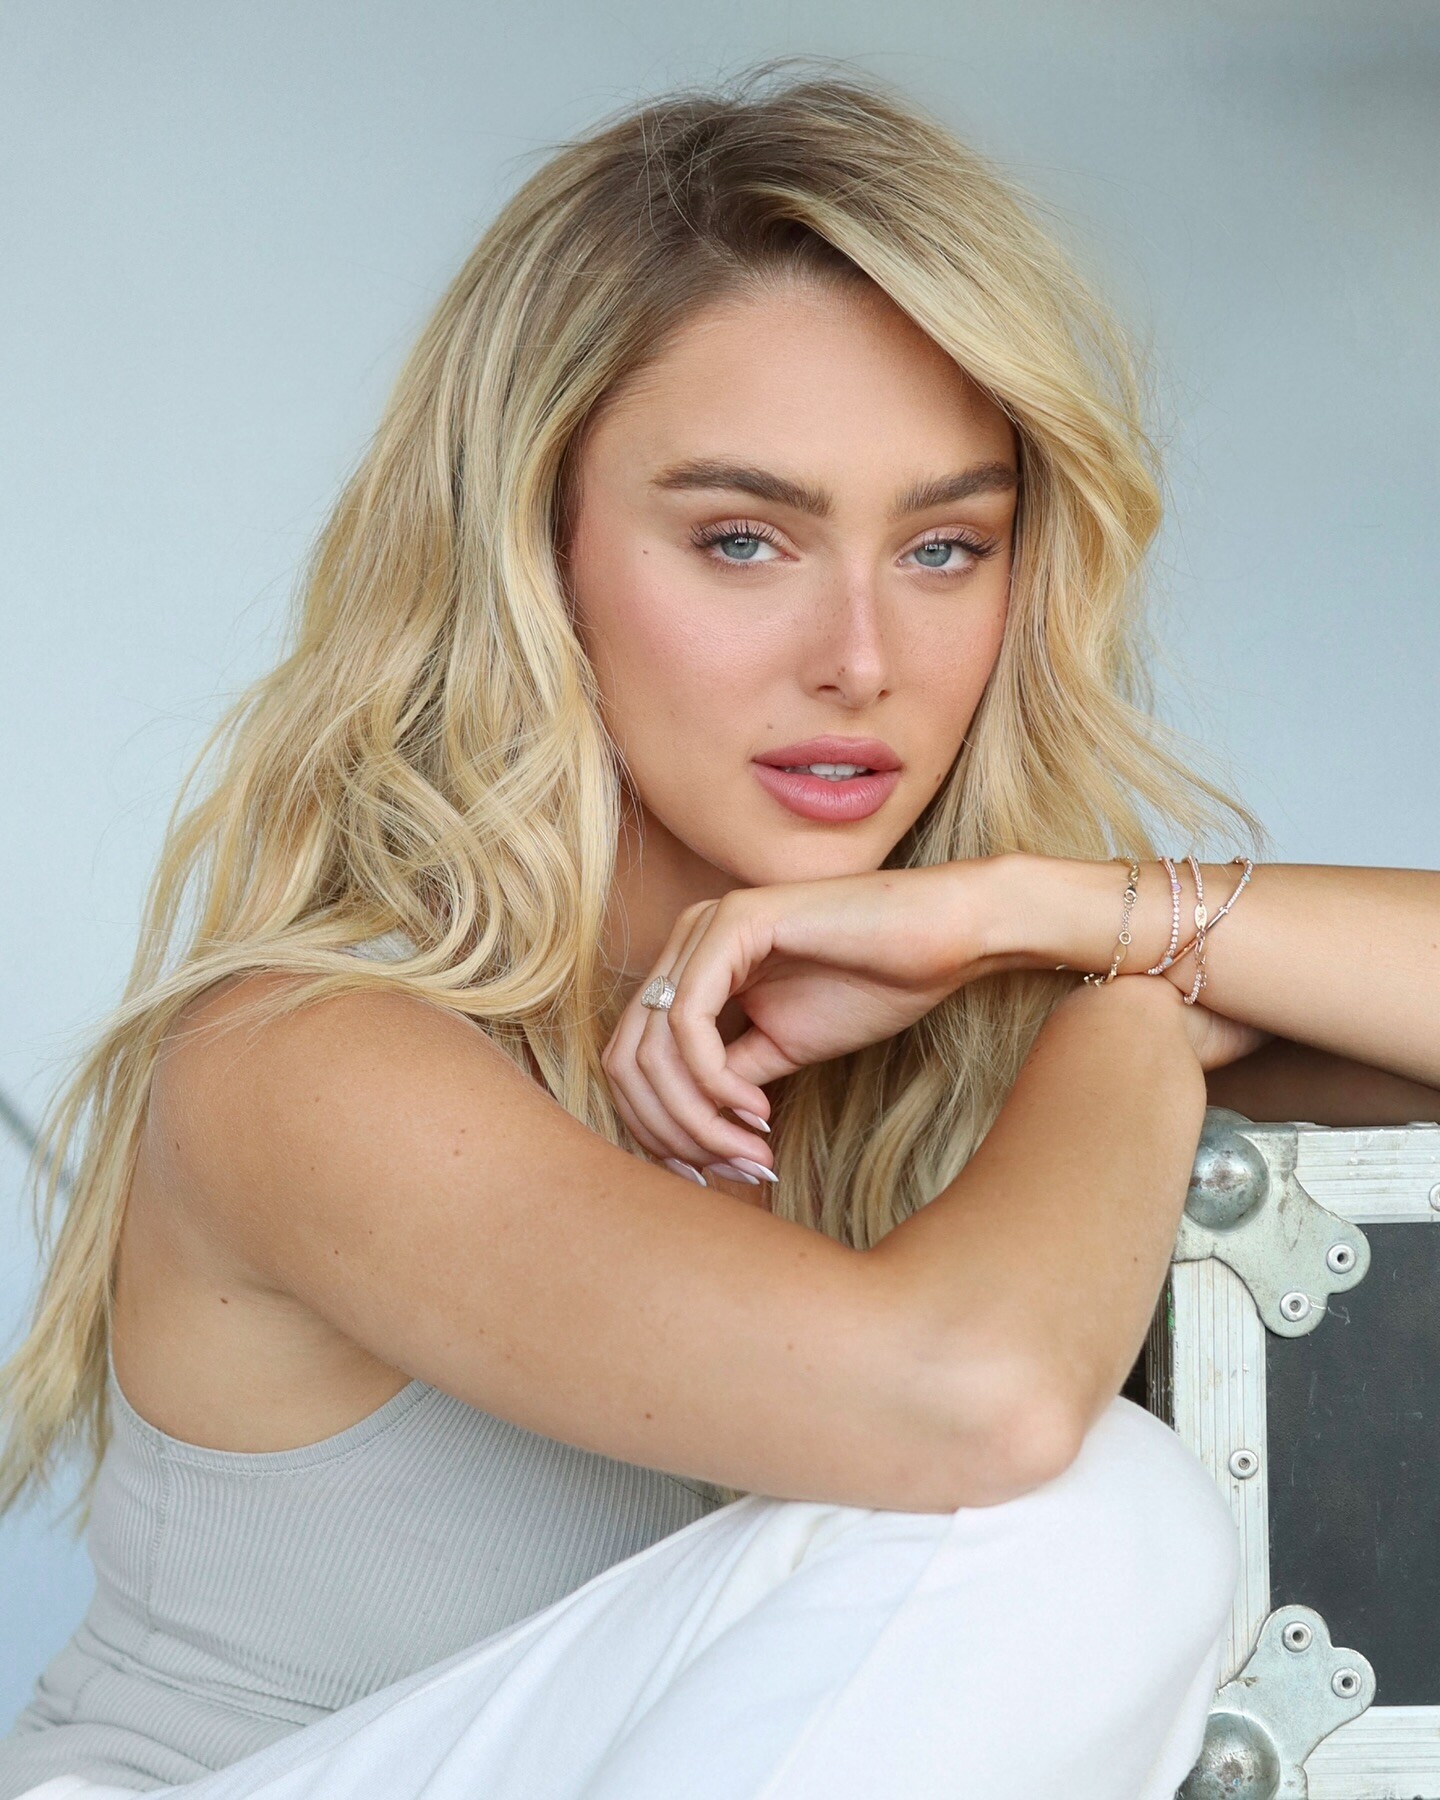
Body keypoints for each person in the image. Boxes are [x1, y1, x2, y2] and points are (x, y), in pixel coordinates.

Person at [1, 58, 1436, 1800]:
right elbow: (968, 1400)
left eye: (944, 549)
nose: (860, 659)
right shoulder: (301, 1053)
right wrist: (1144, 1007)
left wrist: (1059, 914)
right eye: (745, 541)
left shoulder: (982, 1031)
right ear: (535, 550)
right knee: (1085, 1509)